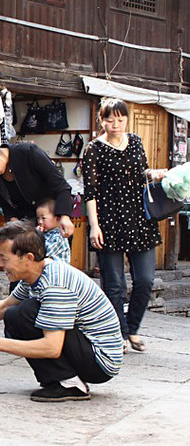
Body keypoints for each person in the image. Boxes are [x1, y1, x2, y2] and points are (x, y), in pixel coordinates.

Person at [0, 220, 123, 402]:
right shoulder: (35, 274)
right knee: (14, 315)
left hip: (100, 360)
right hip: (85, 349)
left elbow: (52, 347)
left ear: (28, 258)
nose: (0, 263)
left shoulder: (55, 283)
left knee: (25, 311)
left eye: (5, 258)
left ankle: (70, 384)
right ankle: (61, 379)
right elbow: (5, 307)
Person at [82, 97, 163, 354]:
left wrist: (154, 174)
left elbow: (142, 172)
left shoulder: (137, 141)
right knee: (114, 284)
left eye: (120, 118)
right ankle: (119, 333)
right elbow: (90, 192)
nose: (115, 124)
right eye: (109, 119)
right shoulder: (93, 149)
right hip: (108, 221)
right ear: (101, 120)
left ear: (126, 118)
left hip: (140, 220)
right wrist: (94, 226)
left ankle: (133, 327)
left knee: (145, 281)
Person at [0, 135, 74, 240]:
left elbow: (61, 185)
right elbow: (6, 205)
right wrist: (13, 223)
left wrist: (65, 216)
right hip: (27, 229)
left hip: (52, 222)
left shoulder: (27, 152)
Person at [35, 198, 71, 264]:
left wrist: (37, 236)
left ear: (57, 219)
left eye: (43, 218)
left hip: (58, 272)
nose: (40, 222)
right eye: (38, 218)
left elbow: (43, 254)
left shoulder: (59, 237)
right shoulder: (46, 234)